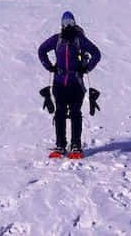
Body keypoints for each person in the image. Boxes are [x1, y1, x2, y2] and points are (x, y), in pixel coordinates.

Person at [38, 10, 101, 157]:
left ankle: (76, 146)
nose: (67, 26)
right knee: (59, 113)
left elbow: (96, 54)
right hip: (59, 84)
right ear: (61, 24)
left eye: (70, 23)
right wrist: (49, 66)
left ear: (74, 23)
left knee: (75, 114)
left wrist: (86, 68)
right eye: (65, 23)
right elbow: (41, 50)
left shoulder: (80, 40)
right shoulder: (57, 39)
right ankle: (60, 145)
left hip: (76, 84)